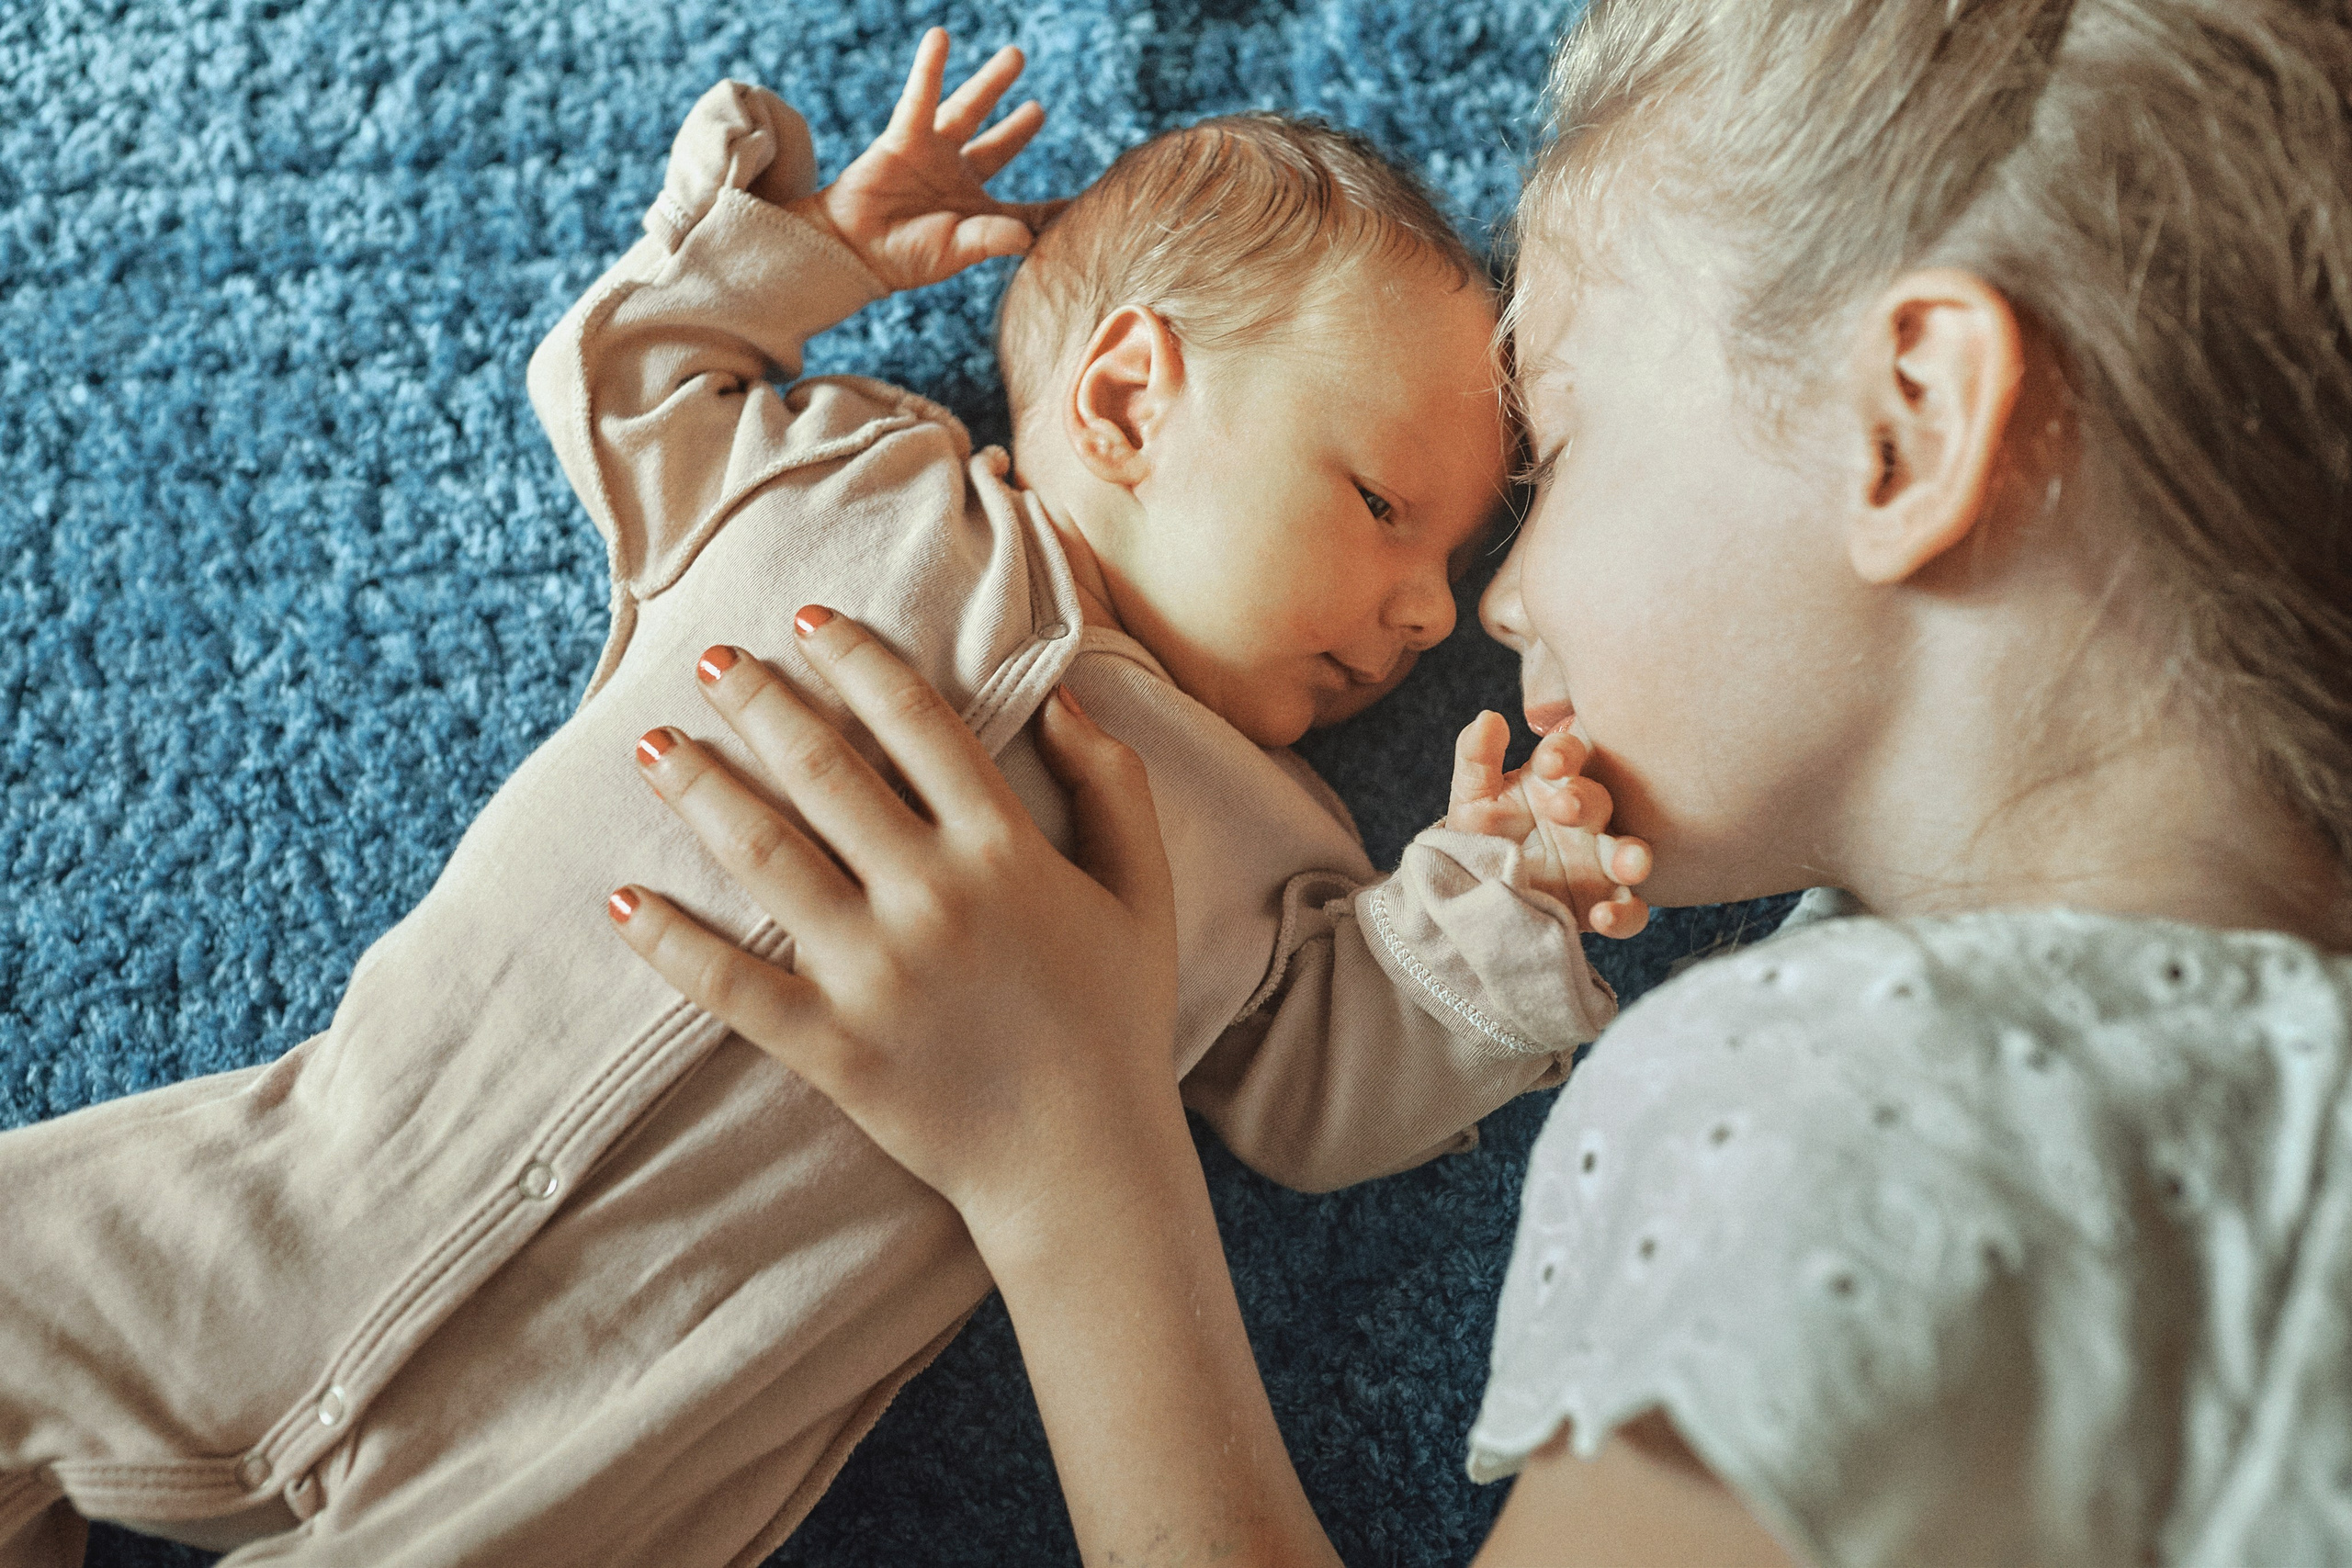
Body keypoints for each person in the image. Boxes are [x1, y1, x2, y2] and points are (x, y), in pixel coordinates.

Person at [610, 0, 2352, 1562]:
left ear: (1907, 422)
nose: (1482, 606)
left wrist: (1064, 1154)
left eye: (1561, 447)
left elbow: (1313, 1051)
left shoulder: (1848, 1097)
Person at [0, 28, 1655, 1568]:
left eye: (1448, 559)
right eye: (1380, 504)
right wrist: (821, 253)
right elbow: (629, 385)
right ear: (1128, 399)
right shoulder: (850, 478)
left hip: (628, 1416)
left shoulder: (1275, 850)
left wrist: (1491, 909)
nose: (1434, 613)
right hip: (313, 1184)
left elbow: (1320, 1092)